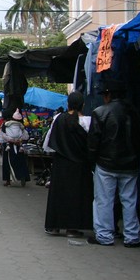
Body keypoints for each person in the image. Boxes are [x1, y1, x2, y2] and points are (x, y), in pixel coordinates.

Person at [87, 80, 140, 247]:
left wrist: (91, 162)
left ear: (108, 95)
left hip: (106, 164)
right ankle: (132, 236)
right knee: (129, 200)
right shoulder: (136, 112)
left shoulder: (100, 112)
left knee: (103, 200)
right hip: (130, 164)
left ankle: (105, 236)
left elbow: (93, 142)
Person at [44, 92, 93, 238]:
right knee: (76, 196)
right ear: (82, 105)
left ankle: (54, 226)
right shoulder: (87, 122)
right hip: (80, 165)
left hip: (61, 163)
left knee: (59, 194)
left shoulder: (59, 119)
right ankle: (72, 228)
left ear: (68, 104)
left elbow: (49, 143)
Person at [0, 109, 30, 186]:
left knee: (7, 162)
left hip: (8, 146)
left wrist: (11, 140)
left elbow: (2, 136)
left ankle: (8, 180)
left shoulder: (5, 125)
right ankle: (23, 177)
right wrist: (19, 141)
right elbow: (25, 136)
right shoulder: (21, 125)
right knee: (21, 162)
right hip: (19, 145)